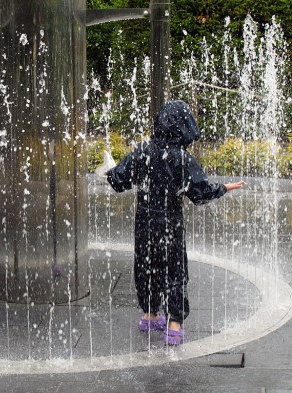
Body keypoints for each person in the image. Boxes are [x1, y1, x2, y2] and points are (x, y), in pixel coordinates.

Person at [96, 100, 244, 345]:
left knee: (146, 266)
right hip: (170, 223)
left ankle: (150, 314)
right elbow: (200, 192)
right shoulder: (182, 158)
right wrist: (224, 188)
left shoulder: (143, 150)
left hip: (144, 220)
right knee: (175, 270)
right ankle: (174, 324)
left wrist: (108, 168)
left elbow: (119, 180)